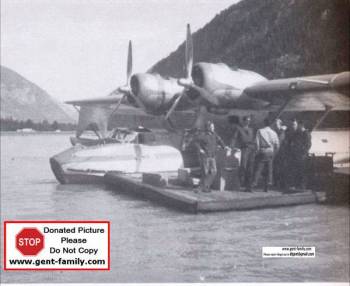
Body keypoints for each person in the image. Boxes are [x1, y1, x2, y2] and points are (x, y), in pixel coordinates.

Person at [194, 121, 227, 192]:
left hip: (213, 156)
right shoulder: (203, 135)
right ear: (208, 127)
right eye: (212, 127)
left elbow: (220, 141)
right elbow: (196, 142)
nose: (213, 128)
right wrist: (200, 149)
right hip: (205, 156)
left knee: (214, 172)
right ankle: (203, 188)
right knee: (205, 172)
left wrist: (224, 147)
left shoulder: (214, 134)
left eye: (213, 127)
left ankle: (205, 186)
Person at [252, 118, 280, 191]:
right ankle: (267, 186)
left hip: (263, 151)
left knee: (258, 168)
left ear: (264, 123)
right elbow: (277, 144)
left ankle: (254, 184)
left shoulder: (260, 131)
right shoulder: (274, 132)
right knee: (269, 169)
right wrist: (274, 152)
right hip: (271, 151)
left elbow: (257, 143)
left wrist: (256, 152)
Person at [230, 115, 256, 192]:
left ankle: (249, 187)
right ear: (243, 121)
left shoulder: (251, 129)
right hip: (244, 149)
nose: (248, 122)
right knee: (243, 167)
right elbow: (234, 138)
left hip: (251, 149)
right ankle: (239, 184)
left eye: (249, 120)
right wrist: (231, 146)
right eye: (247, 120)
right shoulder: (239, 129)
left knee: (250, 168)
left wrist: (255, 147)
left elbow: (254, 139)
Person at [285, 120, 312, 191]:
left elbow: (308, 145)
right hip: (297, 155)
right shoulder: (299, 133)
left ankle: (303, 186)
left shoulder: (306, 133)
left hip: (302, 156)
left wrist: (302, 151)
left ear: (301, 125)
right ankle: (298, 186)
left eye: (298, 126)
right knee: (298, 170)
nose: (297, 127)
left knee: (302, 171)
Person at [271, 118, 287, 189]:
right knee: (275, 168)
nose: (275, 126)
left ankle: (281, 183)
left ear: (280, 125)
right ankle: (276, 183)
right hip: (275, 153)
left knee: (281, 168)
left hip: (281, 153)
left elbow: (279, 140)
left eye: (276, 124)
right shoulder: (275, 131)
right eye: (274, 124)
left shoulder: (282, 131)